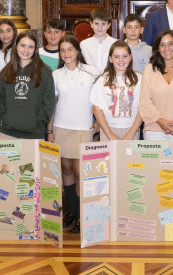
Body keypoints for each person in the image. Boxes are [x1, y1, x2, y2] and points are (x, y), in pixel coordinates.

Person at [48, 36, 100, 234]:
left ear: (77, 50)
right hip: (61, 126)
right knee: (66, 170)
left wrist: (97, 122)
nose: (66, 53)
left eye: (70, 49)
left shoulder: (92, 71)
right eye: (63, 50)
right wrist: (50, 130)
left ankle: (81, 214)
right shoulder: (55, 74)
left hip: (84, 127)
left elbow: (99, 98)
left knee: (80, 172)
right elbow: (53, 104)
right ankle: (72, 212)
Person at [0, 31, 56, 140]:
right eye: (23, 46)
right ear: (16, 46)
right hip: (7, 133)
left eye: (30, 47)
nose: (26, 50)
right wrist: (4, 118)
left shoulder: (45, 72)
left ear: (35, 49)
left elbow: (49, 102)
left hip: (34, 134)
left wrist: (38, 121)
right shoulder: (6, 71)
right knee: (5, 158)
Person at [90, 41, 143, 141]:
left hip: (132, 129)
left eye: (125, 56)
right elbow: (96, 108)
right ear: (110, 59)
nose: (121, 60)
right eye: (116, 57)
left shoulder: (139, 79)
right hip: (108, 130)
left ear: (130, 57)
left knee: (130, 156)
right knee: (109, 157)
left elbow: (143, 108)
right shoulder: (102, 80)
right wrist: (110, 135)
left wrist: (130, 134)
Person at [80, 8, 118, 72]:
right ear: (91, 24)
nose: (100, 28)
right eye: (96, 23)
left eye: (103, 24)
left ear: (109, 25)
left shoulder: (116, 43)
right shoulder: (84, 44)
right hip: (90, 80)